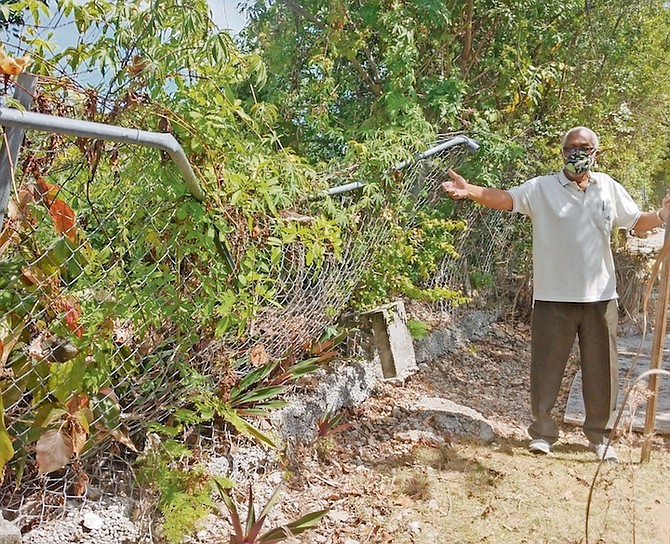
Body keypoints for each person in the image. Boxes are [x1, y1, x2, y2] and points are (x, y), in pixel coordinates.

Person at [442, 126, 670, 462]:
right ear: (562, 152)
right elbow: (507, 199)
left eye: (586, 147)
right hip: (553, 296)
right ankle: (544, 433)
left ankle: (599, 436)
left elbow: (636, 221)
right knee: (547, 367)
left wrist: (663, 214)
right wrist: (471, 191)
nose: (578, 152)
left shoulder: (608, 187)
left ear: (597, 152)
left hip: (600, 297)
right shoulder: (542, 188)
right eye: (572, 147)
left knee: (601, 370)